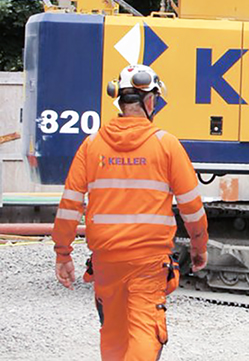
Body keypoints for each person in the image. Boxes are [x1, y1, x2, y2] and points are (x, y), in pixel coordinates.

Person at [52, 64, 209, 360]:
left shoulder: (91, 145)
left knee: (113, 334)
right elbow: (191, 206)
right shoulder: (166, 145)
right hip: (148, 262)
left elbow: (70, 204)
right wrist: (199, 247)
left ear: (119, 102)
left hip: (106, 259)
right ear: (150, 101)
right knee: (145, 332)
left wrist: (63, 253)